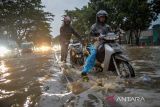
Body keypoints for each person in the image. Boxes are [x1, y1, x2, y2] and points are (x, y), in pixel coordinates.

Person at [81, 10, 111, 81]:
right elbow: (90, 36)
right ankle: (84, 71)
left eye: (103, 17)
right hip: (96, 42)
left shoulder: (108, 26)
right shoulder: (94, 26)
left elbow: (111, 33)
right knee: (93, 53)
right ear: (98, 18)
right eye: (101, 17)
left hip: (108, 42)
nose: (102, 18)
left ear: (106, 18)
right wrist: (96, 38)